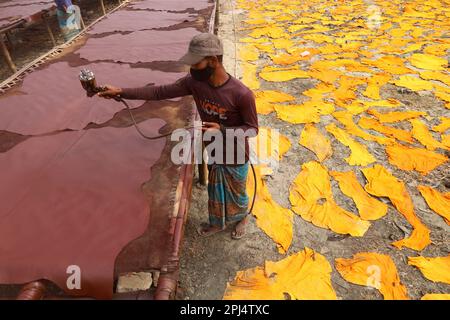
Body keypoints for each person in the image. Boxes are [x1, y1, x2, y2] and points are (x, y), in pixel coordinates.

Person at [98, 33, 259, 239]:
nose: (192, 68)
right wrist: (121, 91)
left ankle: (241, 217)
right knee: (215, 191)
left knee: (237, 193)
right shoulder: (195, 83)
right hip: (214, 150)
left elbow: (252, 129)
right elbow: (159, 92)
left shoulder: (241, 94)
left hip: (235, 154)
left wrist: (222, 130)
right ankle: (217, 223)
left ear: (213, 61)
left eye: (196, 63)